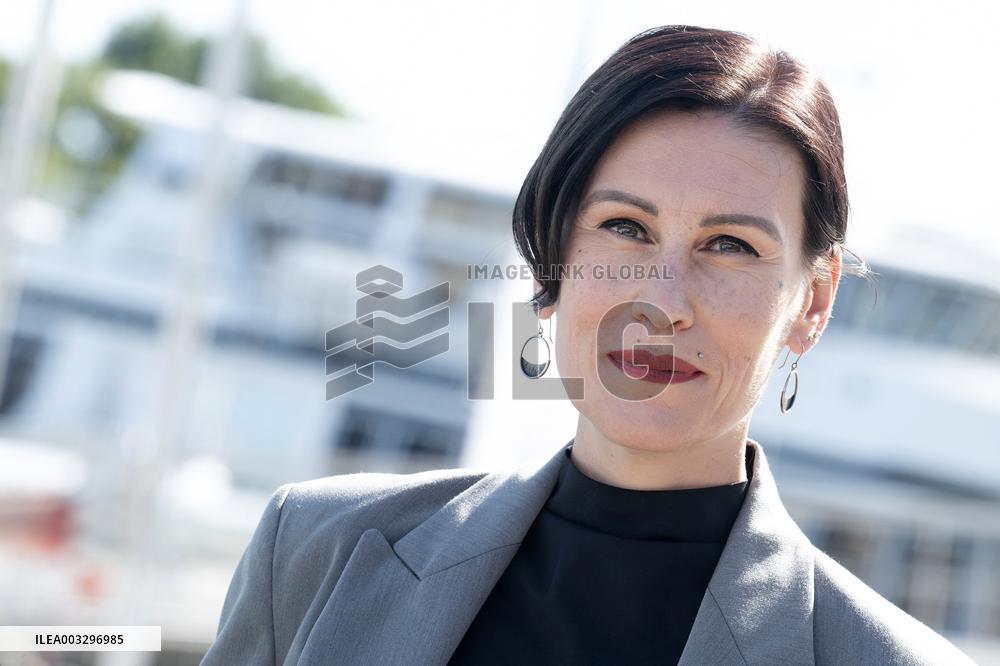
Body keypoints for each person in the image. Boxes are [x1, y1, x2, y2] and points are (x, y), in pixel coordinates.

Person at [201, 25, 976, 665]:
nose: (663, 303)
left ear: (813, 299)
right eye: (626, 229)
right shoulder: (315, 551)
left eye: (731, 245)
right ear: (553, 260)